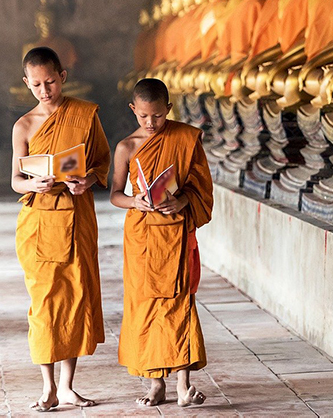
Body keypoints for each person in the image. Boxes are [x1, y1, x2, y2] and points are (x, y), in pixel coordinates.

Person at [11, 46, 110, 412]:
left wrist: (88, 180)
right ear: (26, 83)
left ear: (63, 76)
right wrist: (33, 185)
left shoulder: (85, 114)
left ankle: (68, 387)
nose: (45, 90)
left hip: (77, 215)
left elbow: (101, 161)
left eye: (50, 81)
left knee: (74, 299)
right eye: (36, 84)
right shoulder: (23, 125)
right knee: (45, 305)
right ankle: (47, 387)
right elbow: (16, 180)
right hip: (40, 224)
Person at [109, 78, 213, 407]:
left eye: (157, 116)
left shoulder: (185, 138)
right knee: (144, 307)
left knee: (178, 303)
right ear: (133, 110)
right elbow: (114, 195)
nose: (151, 124)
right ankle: (156, 383)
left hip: (174, 232)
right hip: (141, 234)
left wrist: (182, 201)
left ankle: (183, 385)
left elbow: (201, 188)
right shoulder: (126, 147)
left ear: (169, 109)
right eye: (143, 117)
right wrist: (135, 201)